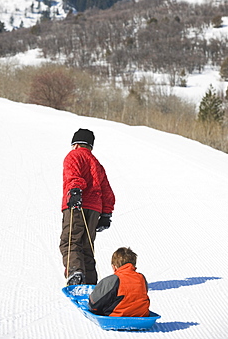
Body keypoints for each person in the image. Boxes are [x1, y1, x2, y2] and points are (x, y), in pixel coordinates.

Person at [60, 128, 115, 286]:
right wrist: (106, 214)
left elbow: (73, 175)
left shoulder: (74, 156)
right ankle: (91, 282)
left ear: (75, 144)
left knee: (70, 240)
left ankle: (75, 273)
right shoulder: (97, 163)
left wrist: (75, 191)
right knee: (87, 245)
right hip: (95, 209)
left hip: (77, 203)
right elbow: (107, 191)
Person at [88, 247, 150, 317]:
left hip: (117, 316)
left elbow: (94, 304)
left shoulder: (113, 280)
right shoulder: (141, 278)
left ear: (114, 267)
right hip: (142, 315)